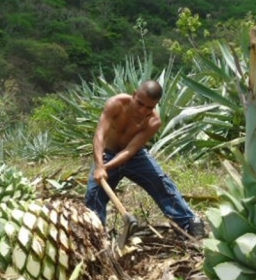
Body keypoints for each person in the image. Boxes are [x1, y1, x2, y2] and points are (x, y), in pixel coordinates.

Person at [84, 80, 205, 238]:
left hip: (135, 157)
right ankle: (96, 234)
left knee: (161, 183)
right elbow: (100, 135)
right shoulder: (116, 104)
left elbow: (129, 150)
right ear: (134, 95)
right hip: (107, 153)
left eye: (149, 108)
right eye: (140, 104)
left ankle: (191, 224)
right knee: (94, 194)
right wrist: (100, 165)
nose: (142, 111)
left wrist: (105, 168)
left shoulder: (153, 121)